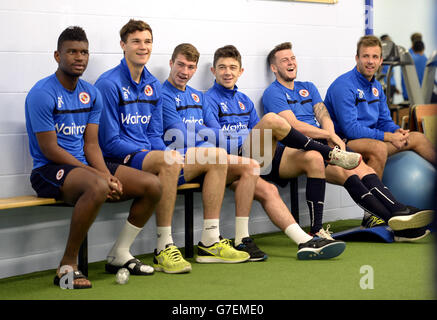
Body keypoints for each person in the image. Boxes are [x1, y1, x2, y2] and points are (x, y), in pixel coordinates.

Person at [95, 20, 250, 272]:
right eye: (135, 41)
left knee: (218, 156)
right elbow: (110, 142)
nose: (142, 47)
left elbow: (155, 133)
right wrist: (157, 155)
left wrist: (166, 154)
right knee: (168, 160)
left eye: (147, 41)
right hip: (119, 159)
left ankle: (210, 241)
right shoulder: (108, 84)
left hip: (148, 155)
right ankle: (163, 247)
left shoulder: (152, 85)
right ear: (123, 45)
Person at [25, 26, 162, 289]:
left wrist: (106, 173)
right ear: (57, 55)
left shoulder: (91, 93)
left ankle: (119, 254)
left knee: (152, 185)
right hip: (48, 170)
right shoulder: (42, 93)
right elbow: (49, 149)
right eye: (72, 52)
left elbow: (91, 145)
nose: (79, 57)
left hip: (83, 168)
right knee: (98, 184)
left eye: (84, 52)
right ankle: (67, 266)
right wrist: (98, 176)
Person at [263, 41, 434, 241]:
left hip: (323, 147)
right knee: (338, 165)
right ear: (274, 68)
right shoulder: (273, 92)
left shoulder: (308, 87)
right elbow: (292, 126)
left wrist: (331, 135)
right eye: (284, 60)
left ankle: (398, 213)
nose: (291, 63)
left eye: (292, 58)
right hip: (294, 149)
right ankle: (391, 217)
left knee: (359, 167)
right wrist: (329, 136)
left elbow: (323, 115)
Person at [201, 44, 358, 260]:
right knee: (272, 124)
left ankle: (309, 237)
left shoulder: (244, 100)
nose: (227, 72)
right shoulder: (207, 99)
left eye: (232, 67)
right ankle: (326, 153)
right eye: (222, 67)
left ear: (241, 71)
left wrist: (256, 138)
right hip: (232, 159)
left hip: (255, 159)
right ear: (213, 71)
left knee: (282, 146)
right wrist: (248, 138)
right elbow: (217, 138)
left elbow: (263, 134)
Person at [161, 44, 265, 261]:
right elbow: (180, 136)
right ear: (171, 64)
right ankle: (210, 241)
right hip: (181, 161)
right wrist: (205, 136)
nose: (185, 71)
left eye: (190, 67)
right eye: (180, 64)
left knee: (252, 166)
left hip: (209, 158)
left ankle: (239, 239)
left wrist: (203, 134)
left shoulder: (198, 96)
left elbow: (213, 133)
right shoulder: (163, 95)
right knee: (218, 155)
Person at [324, 35, 436, 179]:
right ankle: (374, 200)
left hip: (370, 139)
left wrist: (396, 131)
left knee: (418, 138)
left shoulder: (377, 87)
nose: (370, 61)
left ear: (381, 61)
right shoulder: (343, 86)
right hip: (342, 144)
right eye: (366, 56)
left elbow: (384, 121)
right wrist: (388, 137)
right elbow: (350, 129)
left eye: (375, 57)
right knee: (378, 147)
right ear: (357, 58)